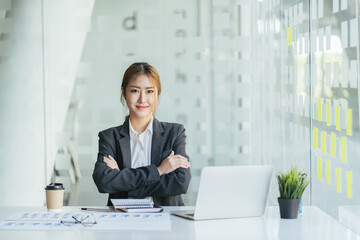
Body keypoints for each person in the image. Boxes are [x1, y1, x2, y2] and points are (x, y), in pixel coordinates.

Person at [93, 62, 191, 206]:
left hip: (167, 222)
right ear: (124, 92)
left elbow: (180, 183)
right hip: (121, 222)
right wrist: (159, 171)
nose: (142, 99)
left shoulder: (174, 133)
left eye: (149, 91)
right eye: (135, 91)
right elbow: (104, 182)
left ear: (157, 93)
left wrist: (123, 179)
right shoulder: (109, 138)